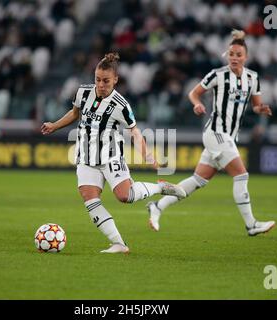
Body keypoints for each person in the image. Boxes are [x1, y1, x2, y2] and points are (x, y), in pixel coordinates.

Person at [41, 53, 186, 254]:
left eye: (106, 81)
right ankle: (119, 243)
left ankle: (159, 188)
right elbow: (75, 113)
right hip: (85, 157)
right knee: (90, 199)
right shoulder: (83, 92)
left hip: (110, 157)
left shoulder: (121, 105)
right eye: (97, 80)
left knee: (125, 196)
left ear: (115, 80)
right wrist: (54, 125)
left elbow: (134, 131)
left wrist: (147, 155)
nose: (101, 84)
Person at [147, 30, 276, 236]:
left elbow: (256, 105)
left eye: (238, 55)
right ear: (227, 54)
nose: (234, 58)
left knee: (197, 181)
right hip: (215, 132)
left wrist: (262, 109)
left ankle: (157, 206)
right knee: (241, 175)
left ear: (246, 57)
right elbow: (194, 93)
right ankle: (251, 225)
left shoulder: (253, 78)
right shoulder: (218, 75)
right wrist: (197, 104)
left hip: (229, 137)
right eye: (231, 54)